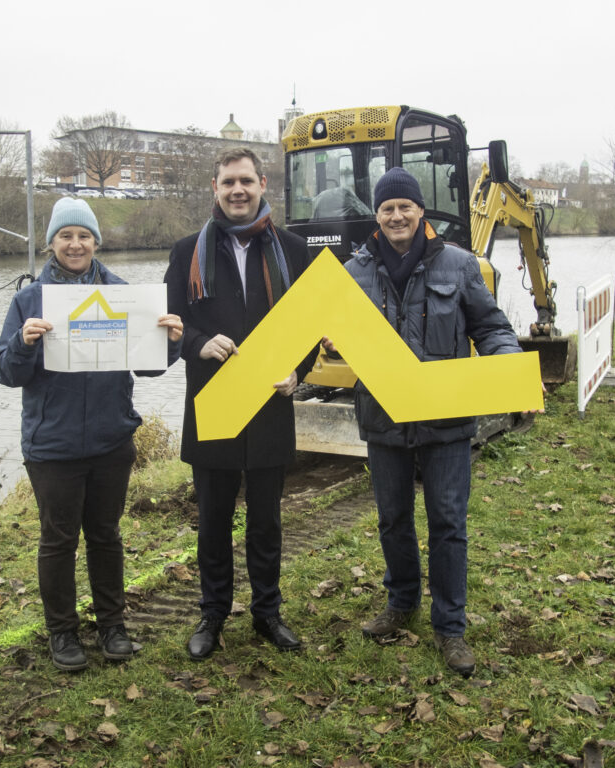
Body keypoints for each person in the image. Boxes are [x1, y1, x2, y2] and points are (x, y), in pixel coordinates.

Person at [328, 167, 525, 677]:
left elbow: (491, 327)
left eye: (405, 207)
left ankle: (451, 628)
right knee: (392, 520)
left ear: (420, 212)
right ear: (378, 215)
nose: (397, 216)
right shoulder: (352, 273)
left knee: (448, 523)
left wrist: (508, 367)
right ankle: (401, 604)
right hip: (384, 420)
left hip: (446, 420)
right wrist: (318, 349)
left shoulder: (460, 265)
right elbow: (322, 335)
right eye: (387, 208)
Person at [0, 197, 182, 672]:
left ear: (96, 242)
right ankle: (62, 633)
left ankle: (112, 626)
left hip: (110, 440)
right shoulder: (28, 300)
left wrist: (171, 343)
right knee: (57, 541)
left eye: (83, 236)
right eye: (65, 236)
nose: (75, 244)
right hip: (52, 446)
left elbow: (149, 367)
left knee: (105, 535)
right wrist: (22, 344)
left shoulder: (123, 294)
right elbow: (5, 373)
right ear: (51, 243)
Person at [165, 148, 317, 660]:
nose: (237, 190)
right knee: (212, 521)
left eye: (246, 181)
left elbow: (310, 327)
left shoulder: (294, 250)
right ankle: (212, 615)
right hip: (214, 404)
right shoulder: (187, 252)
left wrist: (300, 370)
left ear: (262, 184)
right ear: (214, 187)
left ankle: (268, 613)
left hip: (270, 408)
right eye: (228, 182)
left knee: (267, 522)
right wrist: (197, 344)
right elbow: (168, 327)